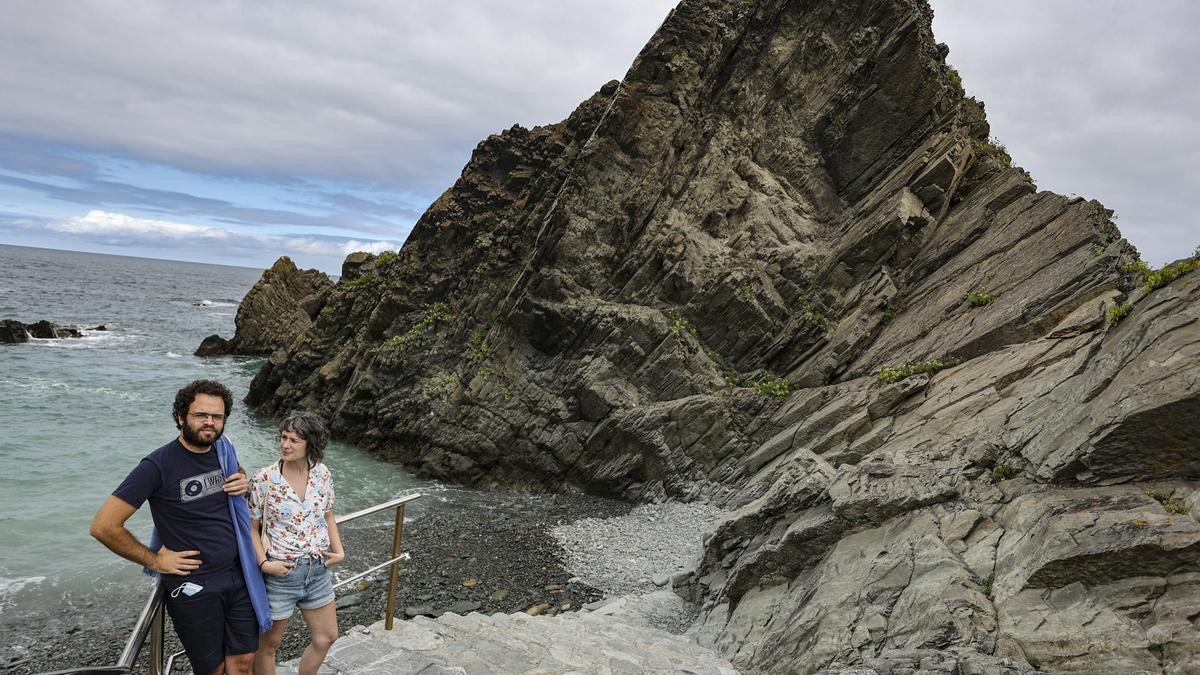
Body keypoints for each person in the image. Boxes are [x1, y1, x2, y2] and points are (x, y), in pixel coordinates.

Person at [91, 379, 270, 675]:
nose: (209, 423)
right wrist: (154, 559)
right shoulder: (156, 466)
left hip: (239, 573)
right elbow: (104, 526)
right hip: (193, 583)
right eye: (201, 415)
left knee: (243, 663)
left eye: (217, 416)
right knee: (212, 670)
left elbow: (232, 478)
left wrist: (242, 480)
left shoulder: (223, 451)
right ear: (180, 417)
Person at [249, 411, 344, 675]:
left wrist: (339, 550)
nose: (285, 445)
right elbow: (251, 527)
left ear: (310, 444)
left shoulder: (321, 473)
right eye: (283, 437)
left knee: (327, 637)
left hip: (317, 569)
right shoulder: (264, 478)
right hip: (281, 573)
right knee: (269, 645)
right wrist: (264, 563)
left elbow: (327, 513)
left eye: (294, 440)